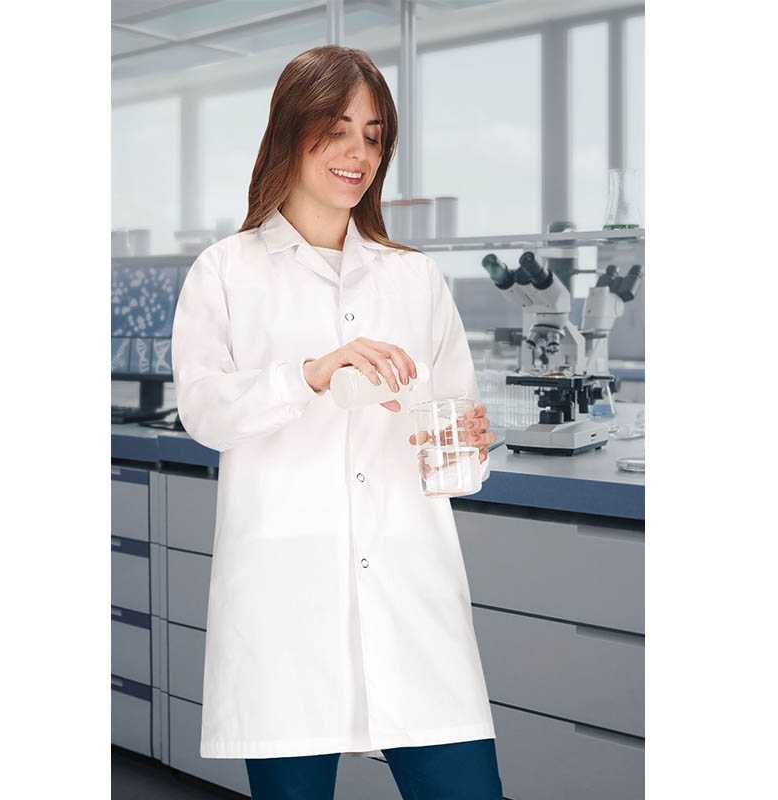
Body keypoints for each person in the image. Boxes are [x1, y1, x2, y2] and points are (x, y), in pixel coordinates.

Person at [170, 45, 502, 800]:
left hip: (410, 593)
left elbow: (455, 451)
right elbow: (206, 411)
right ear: (290, 131)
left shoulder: (414, 278)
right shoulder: (226, 272)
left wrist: (466, 447)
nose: (359, 154)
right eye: (337, 129)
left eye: (374, 136)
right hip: (289, 601)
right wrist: (311, 374)